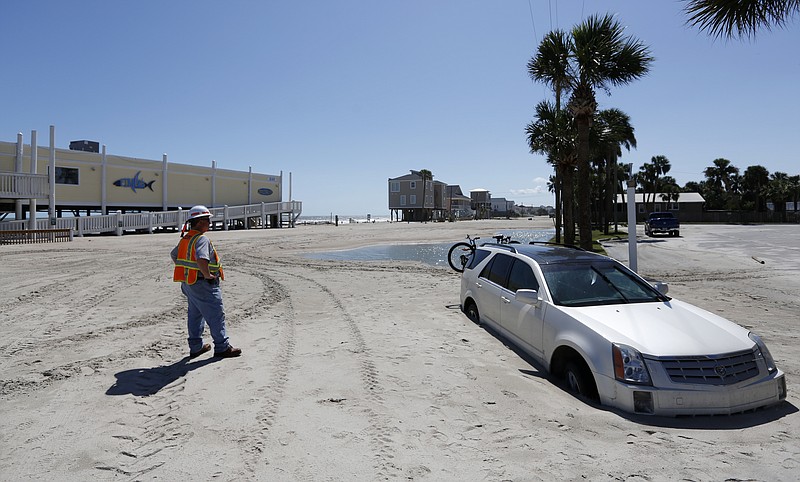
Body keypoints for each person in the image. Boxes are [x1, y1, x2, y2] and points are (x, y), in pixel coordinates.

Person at [171, 205, 242, 359]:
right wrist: (207, 275)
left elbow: (174, 255)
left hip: (189, 283)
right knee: (216, 314)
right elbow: (202, 259)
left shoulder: (187, 238)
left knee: (195, 315)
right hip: (203, 283)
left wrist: (187, 270)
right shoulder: (201, 239)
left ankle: (196, 347)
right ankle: (222, 347)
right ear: (200, 222)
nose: (209, 223)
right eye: (207, 220)